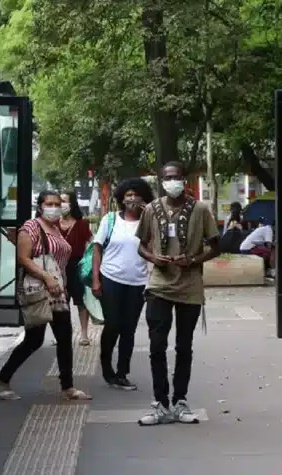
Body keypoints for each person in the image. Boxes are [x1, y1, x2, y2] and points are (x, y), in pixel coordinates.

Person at [135, 161, 220, 425]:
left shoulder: (201, 209)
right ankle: (160, 403)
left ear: (185, 180)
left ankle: (180, 401)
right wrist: (154, 258)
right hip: (159, 285)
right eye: (167, 177)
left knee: (184, 346)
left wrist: (194, 261)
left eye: (177, 177)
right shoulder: (151, 209)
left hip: (189, 285)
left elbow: (216, 246)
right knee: (157, 345)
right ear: (161, 181)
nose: (173, 181)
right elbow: (141, 246)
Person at [0, 190, 91, 401]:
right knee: (34, 340)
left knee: (64, 337)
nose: (55, 207)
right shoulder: (31, 227)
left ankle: (68, 387)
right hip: (41, 290)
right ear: (40, 206)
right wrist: (47, 277)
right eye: (50, 204)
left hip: (57, 292)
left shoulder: (55, 229)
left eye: (57, 203)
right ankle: (2, 380)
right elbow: (24, 258)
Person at [92, 178, 154, 391]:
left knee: (129, 329)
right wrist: (95, 280)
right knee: (113, 325)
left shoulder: (149, 222)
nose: (132, 198)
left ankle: (122, 373)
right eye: (127, 195)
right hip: (111, 278)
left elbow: (156, 249)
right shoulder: (110, 220)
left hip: (138, 282)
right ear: (121, 198)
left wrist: (150, 216)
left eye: (136, 194)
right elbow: (97, 249)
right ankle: (106, 366)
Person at [59, 191, 93, 345]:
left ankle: (84, 334)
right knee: (60, 303)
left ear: (72, 204)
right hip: (58, 267)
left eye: (64, 201)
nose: (61, 205)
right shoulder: (52, 224)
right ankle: (61, 335)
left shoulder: (82, 224)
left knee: (81, 302)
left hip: (77, 266)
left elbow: (91, 245)